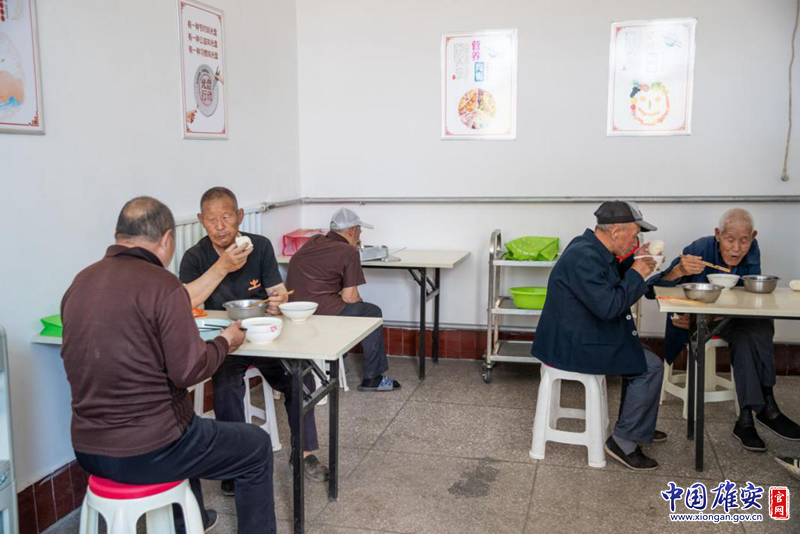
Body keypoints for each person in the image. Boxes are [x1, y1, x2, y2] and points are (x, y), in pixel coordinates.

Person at [61, 196, 276, 534]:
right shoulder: (163, 285)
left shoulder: (80, 283)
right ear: (166, 239)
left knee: (184, 423)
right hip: (152, 450)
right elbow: (189, 371)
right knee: (255, 446)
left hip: (87, 450)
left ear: (119, 235)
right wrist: (225, 342)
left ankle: (190, 519)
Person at [180, 187, 328, 495]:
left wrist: (277, 302)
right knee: (226, 386)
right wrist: (222, 267)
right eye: (212, 220)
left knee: (299, 375)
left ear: (239, 216)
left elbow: (277, 291)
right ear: (201, 221)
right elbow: (186, 304)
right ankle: (235, 465)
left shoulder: (258, 246)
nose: (220, 226)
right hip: (225, 341)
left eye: (226, 217)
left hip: (263, 336)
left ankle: (304, 453)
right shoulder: (195, 257)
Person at [649, 208, 800, 451]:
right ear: (718, 234)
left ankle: (750, 416)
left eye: (744, 240)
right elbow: (654, 289)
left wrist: (714, 315)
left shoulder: (752, 250)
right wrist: (679, 270)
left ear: (753, 237)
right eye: (730, 239)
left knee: (757, 325)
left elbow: (748, 296)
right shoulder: (699, 248)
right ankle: (764, 410)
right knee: (752, 328)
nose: (737, 248)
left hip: (730, 319)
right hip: (692, 321)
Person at [532, 201, 665, 470]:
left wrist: (640, 264)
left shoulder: (590, 248)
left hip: (578, 335)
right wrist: (637, 273)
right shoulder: (584, 257)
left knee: (643, 356)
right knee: (649, 366)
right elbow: (610, 306)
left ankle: (636, 427)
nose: (636, 242)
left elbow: (610, 283)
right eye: (634, 235)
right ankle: (624, 441)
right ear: (615, 231)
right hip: (570, 346)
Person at [286, 208, 400, 391]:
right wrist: (359, 302)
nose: (360, 237)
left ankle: (339, 358)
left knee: (347, 306)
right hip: (320, 310)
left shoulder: (314, 240)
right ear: (352, 230)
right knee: (371, 312)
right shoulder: (349, 251)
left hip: (294, 310)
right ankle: (373, 378)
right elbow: (350, 297)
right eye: (360, 232)